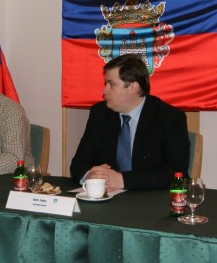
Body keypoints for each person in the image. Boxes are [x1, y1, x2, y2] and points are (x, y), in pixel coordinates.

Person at [70, 54, 190, 190]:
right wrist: (90, 176)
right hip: (108, 198)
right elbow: (79, 164)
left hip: (151, 199)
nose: (104, 91)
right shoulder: (100, 113)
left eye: (111, 84)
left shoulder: (169, 118)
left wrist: (122, 180)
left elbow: (176, 173)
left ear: (133, 87)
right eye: (105, 84)